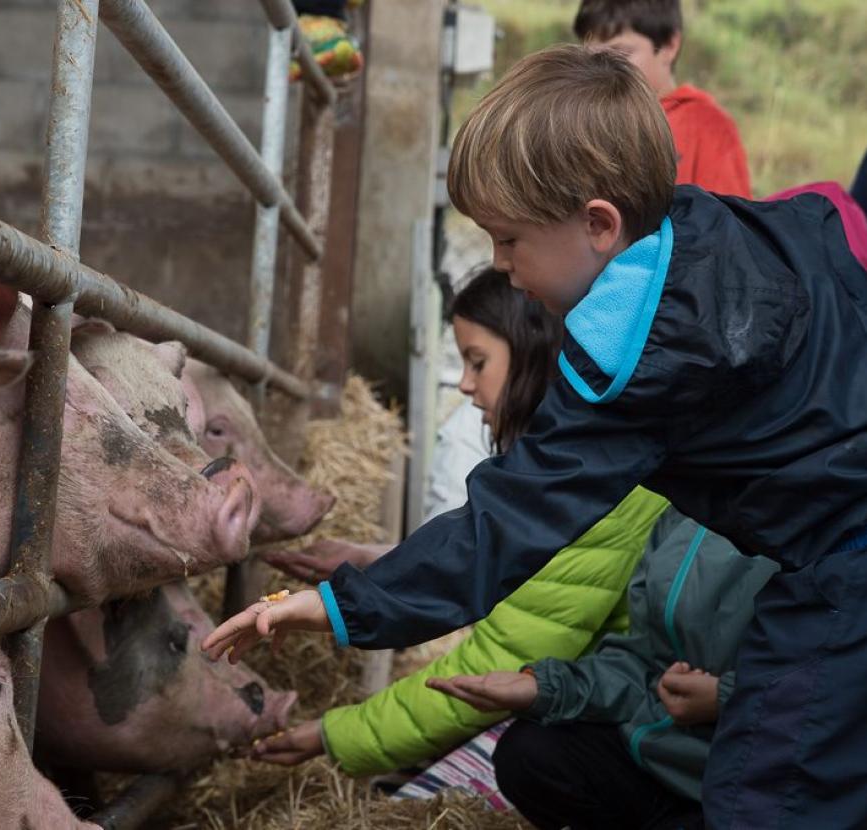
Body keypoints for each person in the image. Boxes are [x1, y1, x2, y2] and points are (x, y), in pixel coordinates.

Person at [203, 44, 867, 827]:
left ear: (598, 225)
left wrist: (338, 606)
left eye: (509, 239)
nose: (501, 265)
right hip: (830, 547)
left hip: (844, 565)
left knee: (768, 795)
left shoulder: (635, 365)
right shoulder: (724, 232)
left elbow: (504, 529)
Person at [254, 269, 668, 780]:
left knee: (523, 756)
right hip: (632, 687)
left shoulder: (590, 486)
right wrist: (381, 564)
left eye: (477, 362)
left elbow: (501, 655)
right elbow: (505, 567)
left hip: (652, 714)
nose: (466, 386)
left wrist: (334, 734)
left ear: (536, 351)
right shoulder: (584, 463)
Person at [432, 510, 777, 830]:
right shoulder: (685, 512)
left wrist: (727, 698)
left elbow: (826, 684)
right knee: (529, 753)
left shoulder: (813, 528)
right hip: (664, 754)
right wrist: (543, 688)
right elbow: (645, 657)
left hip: (757, 784)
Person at [574, 0, 751, 198]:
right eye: (593, 56)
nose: (603, 68)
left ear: (669, 45)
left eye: (620, 53)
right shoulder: (579, 120)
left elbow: (726, 223)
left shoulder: (708, 127)